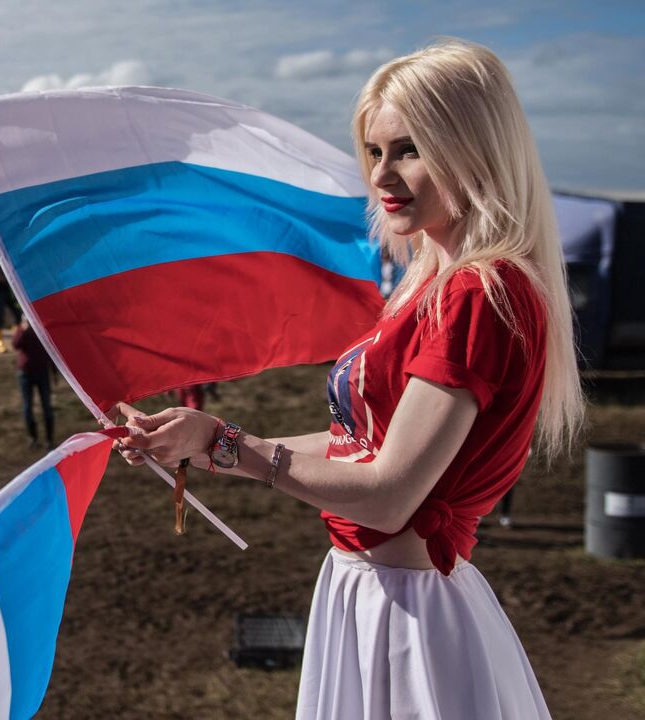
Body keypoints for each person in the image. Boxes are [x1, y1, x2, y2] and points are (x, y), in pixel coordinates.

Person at [116, 40, 580, 719]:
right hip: (373, 597)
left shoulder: (480, 292)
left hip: (410, 619)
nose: (383, 174)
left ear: (474, 149)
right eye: (374, 152)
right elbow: (361, 443)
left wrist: (230, 444)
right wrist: (210, 442)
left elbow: (389, 495)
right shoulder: (436, 285)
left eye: (410, 149)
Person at [13, 317, 55, 450]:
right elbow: (16, 344)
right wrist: (23, 330)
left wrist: (53, 372)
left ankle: (49, 439)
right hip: (26, 373)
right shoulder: (22, 330)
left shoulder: (42, 329)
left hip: (42, 372)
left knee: (46, 407)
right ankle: (33, 438)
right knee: (27, 407)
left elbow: (50, 350)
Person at [0, 259, 22, 353]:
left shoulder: (7, 258)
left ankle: (18, 338)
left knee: (17, 313)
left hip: (5, 291)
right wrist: (9, 277)